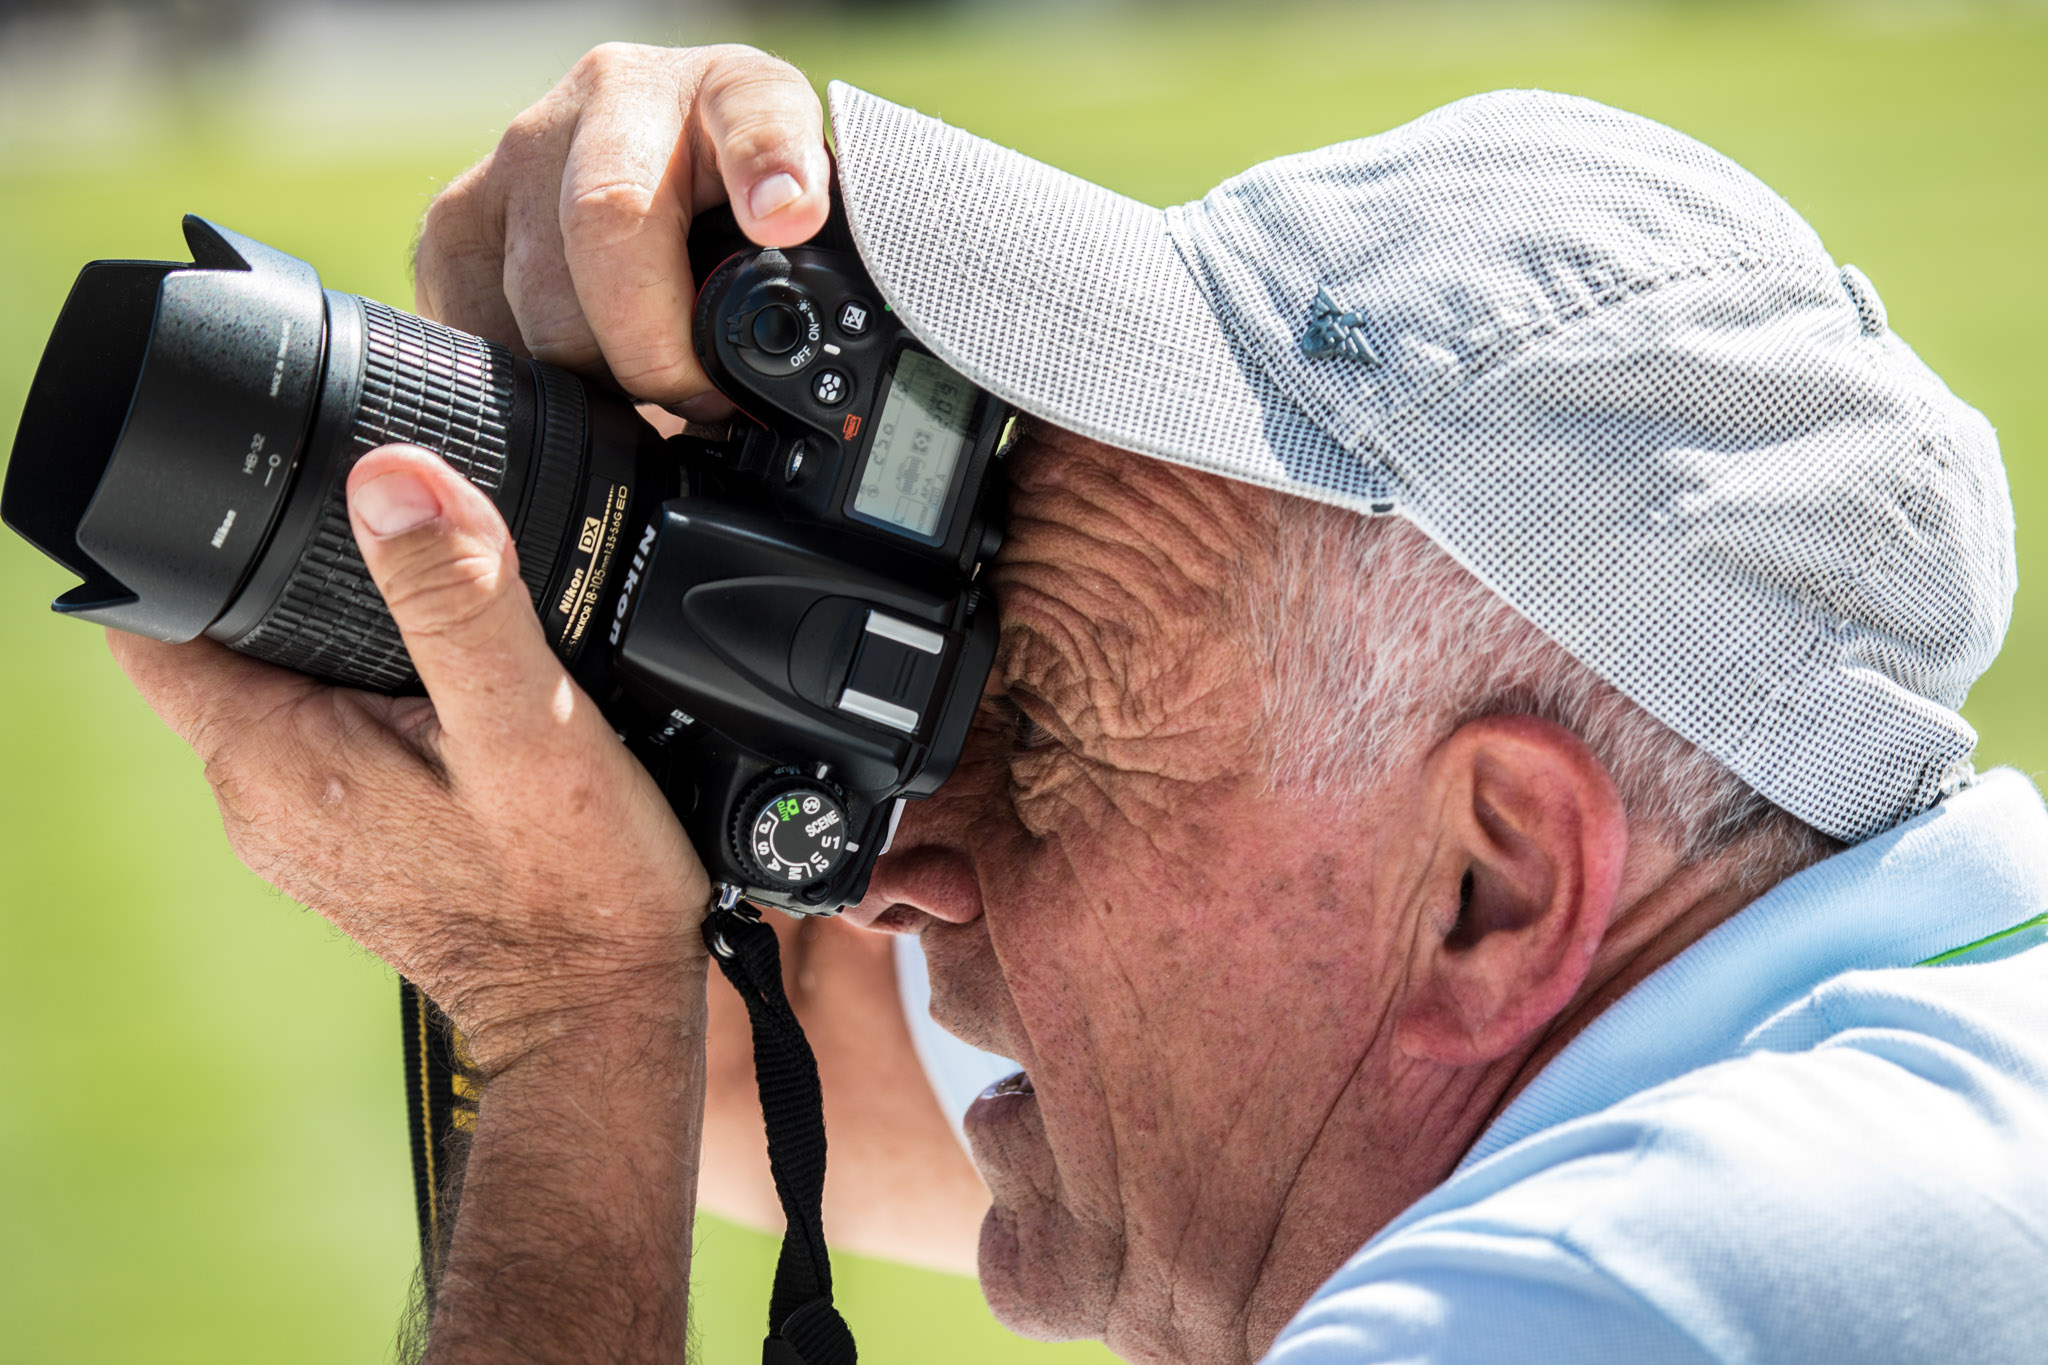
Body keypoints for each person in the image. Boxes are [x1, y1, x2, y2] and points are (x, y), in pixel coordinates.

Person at [107, 42, 2048, 1365]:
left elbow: (648, 1036)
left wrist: (563, 1015)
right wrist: (630, 536)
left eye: (1029, 737)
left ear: (1493, 881)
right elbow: (756, 1070)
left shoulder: (1631, 1292)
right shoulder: (1892, 1028)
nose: (896, 866)